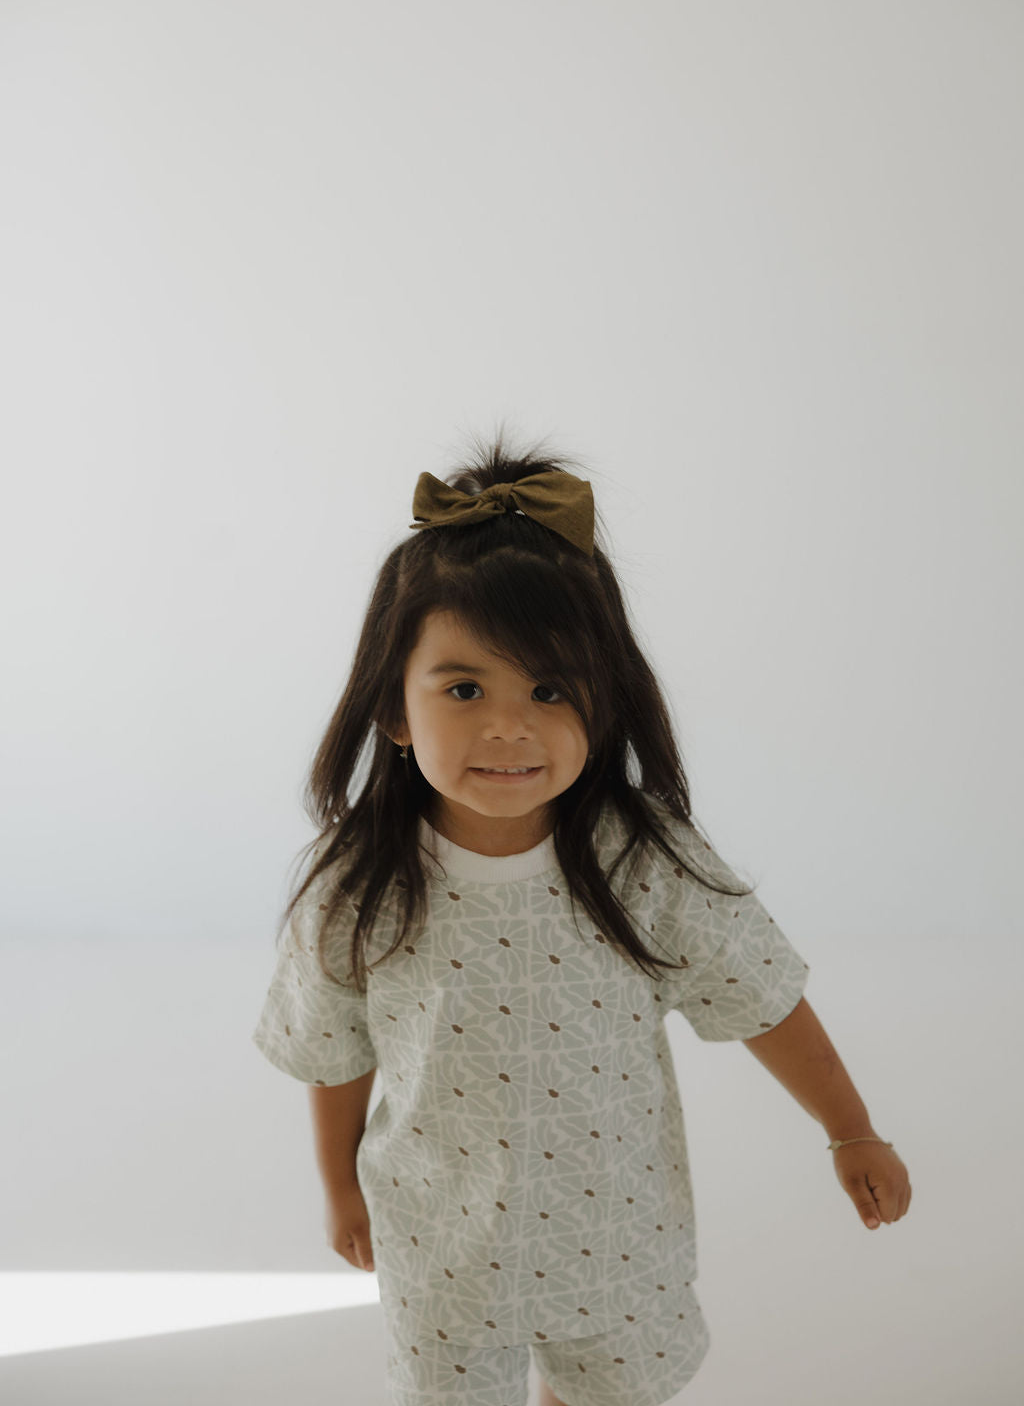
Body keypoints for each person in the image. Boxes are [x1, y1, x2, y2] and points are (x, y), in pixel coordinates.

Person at [252, 428, 912, 1406]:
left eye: (550, 688)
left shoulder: (644, 863)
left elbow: (762, 999)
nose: (509, 726)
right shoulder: (362, 884)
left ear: (604, 701)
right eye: (464, 688)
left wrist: (849, 1130)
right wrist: (341, 1186)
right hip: (443, 1237)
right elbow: (332, 1050)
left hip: (612, 1231)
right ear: (393, 708)